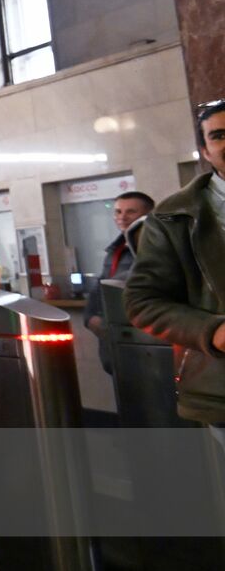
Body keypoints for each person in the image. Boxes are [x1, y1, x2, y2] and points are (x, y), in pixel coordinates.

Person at [126, 99, 225, 450]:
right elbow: (142, 302)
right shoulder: (173, 216)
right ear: (205, 150)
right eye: (218, 135)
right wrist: (212, 331)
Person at [82, 191, 154, 373]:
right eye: (118, 212)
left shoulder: (153, 247)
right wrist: (90, 317)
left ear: (149, 214)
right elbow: (100, 286)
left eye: (131, 212)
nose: (123, 217)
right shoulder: (115, 249)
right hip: (113, 341)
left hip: (141, 338)